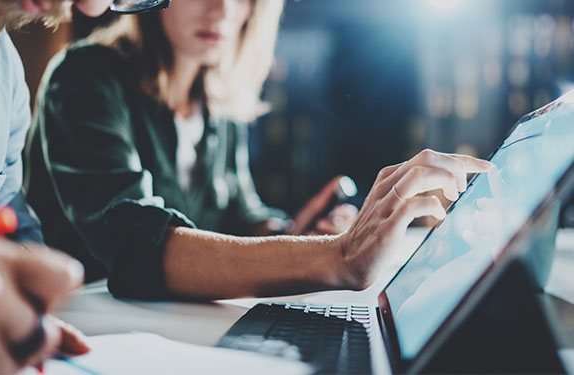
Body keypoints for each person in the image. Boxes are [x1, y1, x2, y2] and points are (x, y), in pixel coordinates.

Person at [26, 0, 493, 301]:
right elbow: (132, 244)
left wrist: (294, 232)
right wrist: (335, 256)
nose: (223, 10)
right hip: (82, 332)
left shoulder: (216, 103)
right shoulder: (84, 76)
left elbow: (241, 215)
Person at [0, 0, 111, 372]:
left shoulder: (1, 70)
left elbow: (9, 215)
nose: (93, 6)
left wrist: (24, 310)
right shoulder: (85, 78)